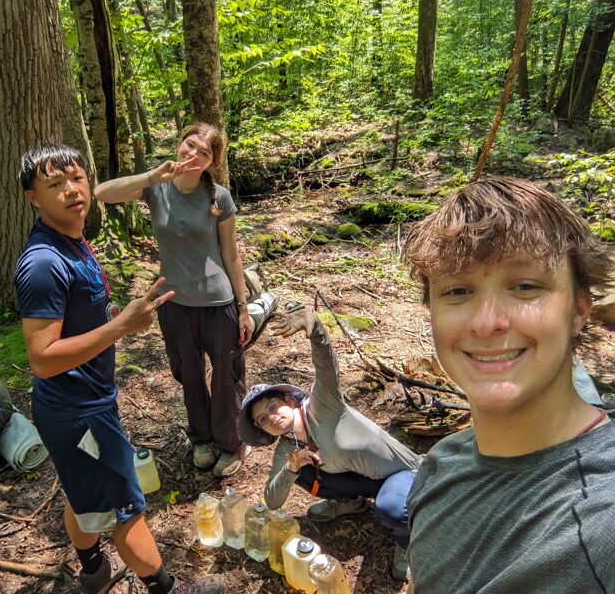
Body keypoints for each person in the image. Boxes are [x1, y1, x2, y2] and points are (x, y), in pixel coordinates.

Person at [14, 144, 223, 594]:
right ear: (33, 197)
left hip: (82, 405)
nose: (72, 191)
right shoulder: (44, 263)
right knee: (127, 510)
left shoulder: (71, 240)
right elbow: (41, 358)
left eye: (77, 179)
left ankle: (92, 568)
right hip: (78, 411)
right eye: (54, 185)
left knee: (81, 492)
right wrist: (121, 326)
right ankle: (167, 587)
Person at [402, 177, 615, 593]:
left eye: (525, 286)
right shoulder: (441, 464)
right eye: (458, 290)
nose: (486, 322)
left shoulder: (600, 522)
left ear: (578, 310)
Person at [95, 123, 252, 477]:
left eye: (204, 153)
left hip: (219, 304)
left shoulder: (219, 198)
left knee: (226, 376)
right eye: (189, 145)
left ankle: (231, 443)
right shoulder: (157, 190)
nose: (193, 155)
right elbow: (102, 193)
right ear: (179, 144)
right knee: (189, 375)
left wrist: (243, 309)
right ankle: (201, 438)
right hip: (175, 304)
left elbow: (231, 256)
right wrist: (153, 175)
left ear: (212, 163)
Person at [237, 308, 422, 580]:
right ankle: (353, 502)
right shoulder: (288, 447)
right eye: (263, 420)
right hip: (362, 477)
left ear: (288, 401)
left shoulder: (322, 406)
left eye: (273, 407)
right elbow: (273, 500)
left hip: (400, 473)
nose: (272, 418)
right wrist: (290, 470)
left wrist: (315, 329)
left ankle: (408, 541)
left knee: (391, 508)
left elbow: (326, 366)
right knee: (300, 471)